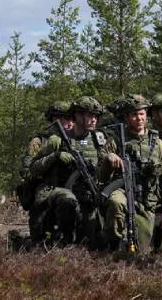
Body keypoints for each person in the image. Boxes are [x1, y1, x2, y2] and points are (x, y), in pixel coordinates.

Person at [99, 94, 162, 255]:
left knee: (141, 252)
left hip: (147, 200)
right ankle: (112, 245)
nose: (139, 118)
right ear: (127, 117)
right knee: (115, 202)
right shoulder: (115, 140)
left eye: (141, 114)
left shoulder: (158, 145)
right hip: (122, 191)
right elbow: (100, 175)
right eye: (134, 115)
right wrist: (108, 158)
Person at [27, 96, 107, 246]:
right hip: (60, 192)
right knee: (67, 200)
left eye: (96, 116)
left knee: (96, 242)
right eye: (89, 115)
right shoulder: (57, 140)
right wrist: (55, 157)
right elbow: (33, 168)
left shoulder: (98, 140)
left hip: (88, 193)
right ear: (77, 116)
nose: (94, 119)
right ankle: (65, 241)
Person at [17, 101, 74, 242]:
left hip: (70, 189)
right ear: (53, 120)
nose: (68, 122)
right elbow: (27, 172)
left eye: (70, 118)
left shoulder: (76, 140)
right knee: (40, 239)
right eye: (63, 118)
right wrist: (53, 157)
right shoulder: (39, 141)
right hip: (44, 190)